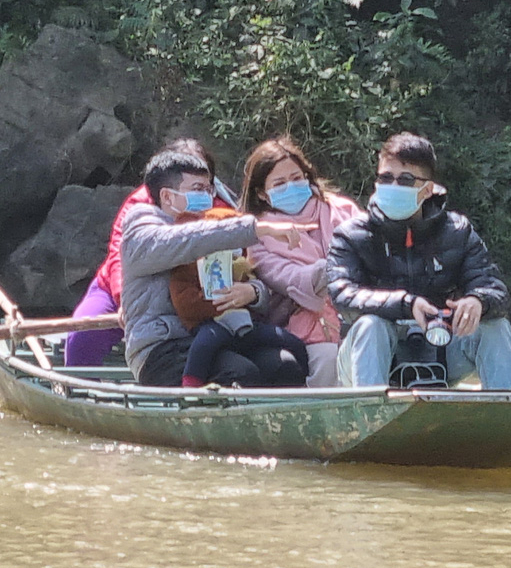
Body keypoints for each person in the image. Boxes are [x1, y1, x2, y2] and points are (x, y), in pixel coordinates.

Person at [326, 132, 511, 389]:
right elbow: (342, 294)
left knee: (495, 326)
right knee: (370, 325)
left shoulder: (458, 231)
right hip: (367, 355)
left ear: (427, 190)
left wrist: (478, 301)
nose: (393, 186)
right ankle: (370, 414)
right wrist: (406, 304)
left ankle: (506, 415)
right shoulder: (350, 234)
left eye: (405, 180)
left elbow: (495, 287)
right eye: (385, 178)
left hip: (439, 348)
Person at [118, 145, 307, 388]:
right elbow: (184, 241)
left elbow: (246, 269)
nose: (206, 197)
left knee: (285, 367)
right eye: (197, 189)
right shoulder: (140, 229)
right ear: (167, 196)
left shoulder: (216, 224)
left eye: (209, 189)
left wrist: (253, 292)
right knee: (240, 374)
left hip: (225, 333)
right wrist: (255, 228)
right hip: (164, 346)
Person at [63, 138, 234, 369]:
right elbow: (118, 254)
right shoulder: (138, 206)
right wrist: (125, 298)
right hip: (126, 288)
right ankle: (78, 392)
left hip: (187, 293)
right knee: (81, 339)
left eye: (203, 179)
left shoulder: (222, 210)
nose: (199, 184)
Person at [238, 137, 363, 387]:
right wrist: (342, 264)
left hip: (359, 313)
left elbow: (371, 251)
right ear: (262, 193)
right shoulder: (259, 235)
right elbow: (292, 279)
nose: (291, 187)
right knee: (328, 359)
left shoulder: (343, 210)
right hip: (301, 329)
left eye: (297, 178)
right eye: (280, 183)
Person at [166, 190, 310, 389]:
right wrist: (219, 300)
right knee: (205, 344)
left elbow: (260, 288)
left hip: (247, 324)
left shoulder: (242, 260)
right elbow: (185, 304)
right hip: (215, 324)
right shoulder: (186, 264)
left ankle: (306, 383)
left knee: (290, 344)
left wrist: (251, 293)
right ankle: (190, 386)